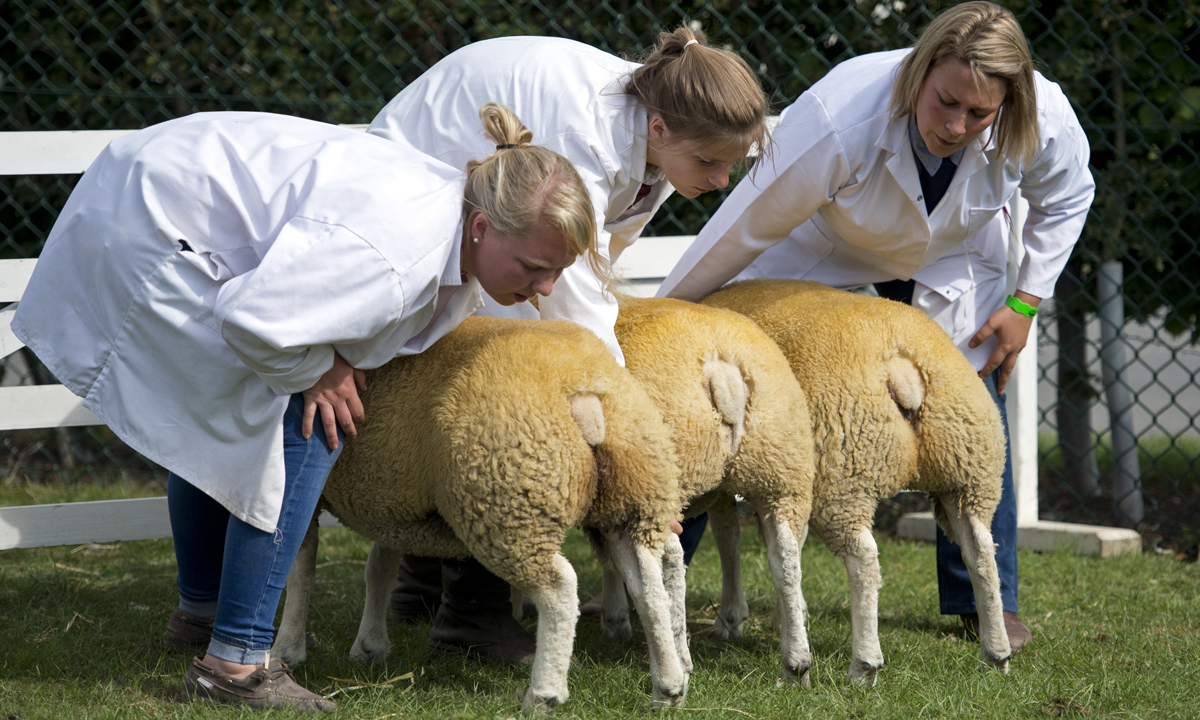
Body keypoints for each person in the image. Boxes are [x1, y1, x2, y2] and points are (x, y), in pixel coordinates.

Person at [11, 103, 598, 712]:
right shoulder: (398, 252)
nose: (546, 289)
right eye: (534, 267)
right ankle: (234, 663)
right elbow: (257, 319)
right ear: (482, 229)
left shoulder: (448, 213)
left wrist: (324, 361)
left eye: (557, 271)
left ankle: (203, 615)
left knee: (223, 419)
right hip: (151, 225)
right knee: (311, 421)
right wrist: (320, 369)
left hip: (152, 190)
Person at [657, 1, 1095, 650]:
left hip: (951, 252)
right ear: (921, 71)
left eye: (979, 114)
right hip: (821, 240)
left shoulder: (1041, 111)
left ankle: (985, 599)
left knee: (974, 398)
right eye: (945, 101)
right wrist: (671, 322)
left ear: (1008, 101)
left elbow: (1067, 195)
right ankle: (659, 569)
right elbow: (739, 227)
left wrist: (1025, 303)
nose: (957, 124)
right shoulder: (840, 117)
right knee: (723, 370)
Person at [367, 27, 771, 659]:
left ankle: (423, 582)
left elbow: (603, 252)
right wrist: (640, 447)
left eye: (731, 166)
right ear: (661, 130)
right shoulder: (584, 135)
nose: (721, 180)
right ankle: (471, 615)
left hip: (494, 217)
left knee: (500, 371)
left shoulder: (657, 148)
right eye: (711, 164)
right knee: (515, 397)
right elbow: (573, 295)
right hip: (426, 187)